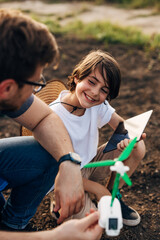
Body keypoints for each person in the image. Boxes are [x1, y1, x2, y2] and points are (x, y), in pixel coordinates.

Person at [0, 8, 102, 240]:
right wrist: (51, 237)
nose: (38, 90)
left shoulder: (6, 86)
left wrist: (69, 163)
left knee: (51, 150)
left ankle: (13, 225)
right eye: (36, 84)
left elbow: (44, 118)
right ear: (6, 88)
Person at [49, 50, 146, 227]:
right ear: (77, 77)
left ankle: (112, 195)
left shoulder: (97, 105)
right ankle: (60, 202)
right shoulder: (54, 116)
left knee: (137, 146)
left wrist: (128, 138)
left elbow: (122, 126)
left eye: (103, 90)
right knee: (90, 226)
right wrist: (98, 189)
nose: (94, 93)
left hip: (90, 162)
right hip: (64, 175)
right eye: (91, 82)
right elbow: (56, 170)